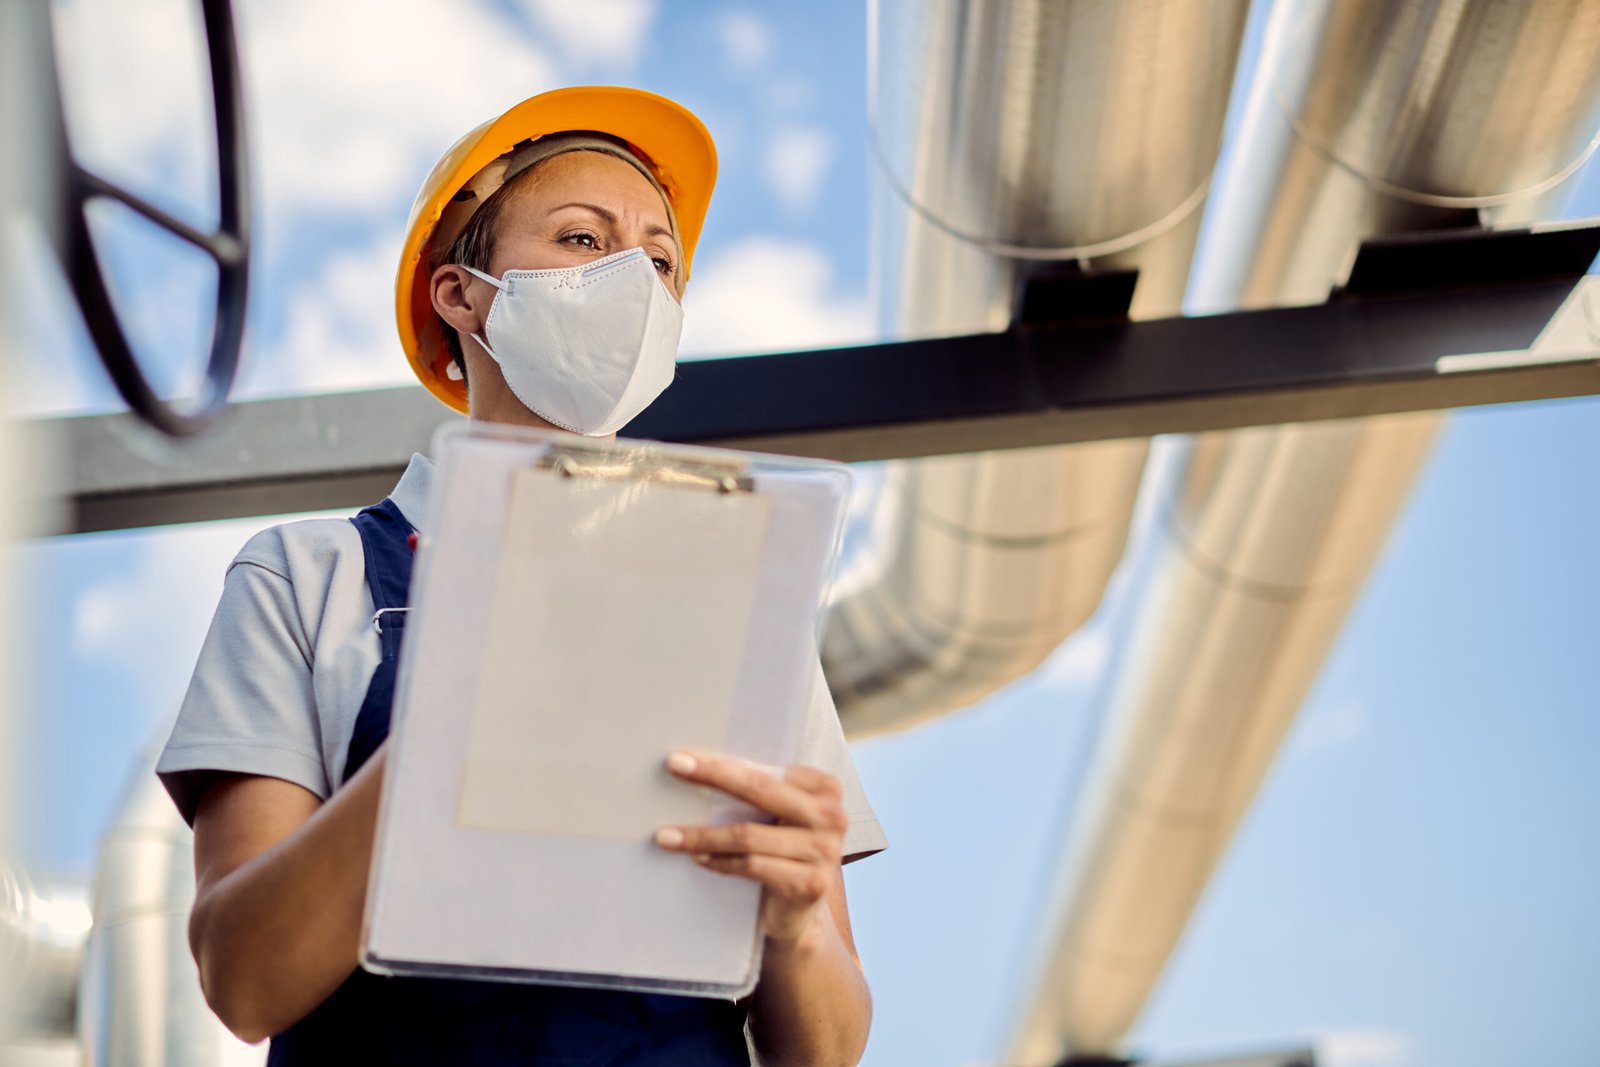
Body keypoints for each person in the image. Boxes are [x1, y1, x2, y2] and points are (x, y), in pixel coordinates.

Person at [155, 86, 887, 1066]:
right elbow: (244, 980)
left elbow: (829, 1052)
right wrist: (453, 721)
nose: (632, 278)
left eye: (659, 260)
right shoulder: (307, 575)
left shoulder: (745, 613)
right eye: (584, 240)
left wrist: (796, 926)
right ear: (461, 295)